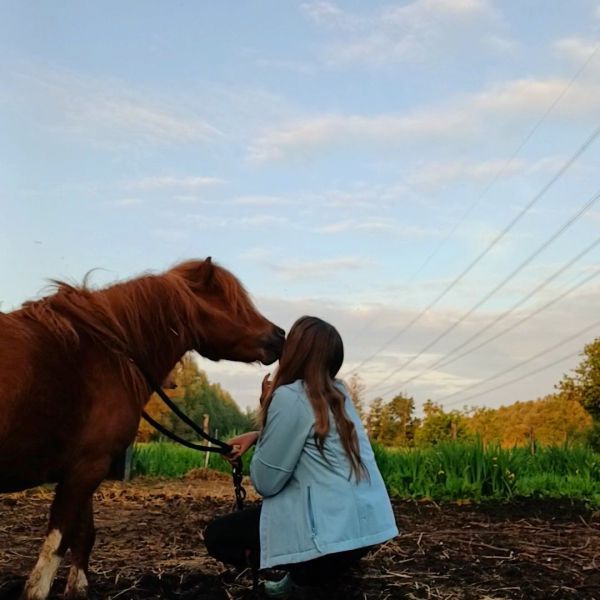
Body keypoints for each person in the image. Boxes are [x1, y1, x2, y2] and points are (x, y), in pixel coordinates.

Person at [204, 316, 398, 598]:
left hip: (329, 535)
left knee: (219, 536)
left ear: (294, 352)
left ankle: (305, 576)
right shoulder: (338, 393)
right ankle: (314, 575)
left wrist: (268, 412)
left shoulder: (289, 397)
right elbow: (310, 436)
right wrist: (258, 434)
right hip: (365, 527)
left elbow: (266, 482)